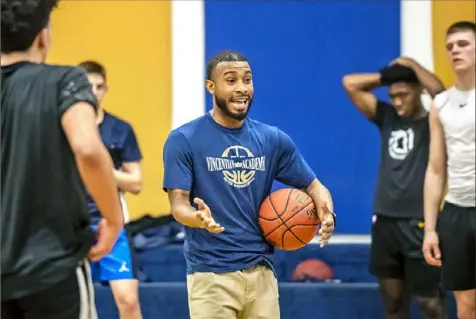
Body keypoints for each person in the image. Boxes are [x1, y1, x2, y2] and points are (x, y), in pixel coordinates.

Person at [162, 50, 336, 319]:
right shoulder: (183, 139)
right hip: (211, 274)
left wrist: (326, 212)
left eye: (247, 79)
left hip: (261, 271)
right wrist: (198, 219)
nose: (242, 88)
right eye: (231, 80)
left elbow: (314, 186)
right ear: (211, 86)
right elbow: (178, 205)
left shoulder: (272, 139)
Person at [0, 1, 123, 319]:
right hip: (53, 265)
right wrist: (113, 217)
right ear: (43, 37)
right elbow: (87, 147)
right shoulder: (65, 80)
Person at [342, 57, 446, 319]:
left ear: (418, 90)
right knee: (394, 305)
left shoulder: (434, 120)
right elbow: (350, 84)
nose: (397, 101)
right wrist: (389, 76)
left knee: (430, 304)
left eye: (403, 94)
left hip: (420, 223)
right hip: (385, 222)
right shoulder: (387, 116)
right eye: (393, 95)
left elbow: (439, 91)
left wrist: (411, 65)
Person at [78, 60, 144, 319]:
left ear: (106, 89)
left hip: (112, 224)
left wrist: (99, 165)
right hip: (72, 225)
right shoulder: (63, 127)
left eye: (99, 86)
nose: (93, 92)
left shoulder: (120, 129)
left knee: (128, 301)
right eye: (87, 86)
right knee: (73, 305)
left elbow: (136, 183)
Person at [423, 21, 476, 319]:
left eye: (464, 44)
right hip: (456, 213)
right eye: (450, 46)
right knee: (466, 304)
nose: (455, 50)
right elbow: (435, 170)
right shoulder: (440, 104)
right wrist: (430, 229)